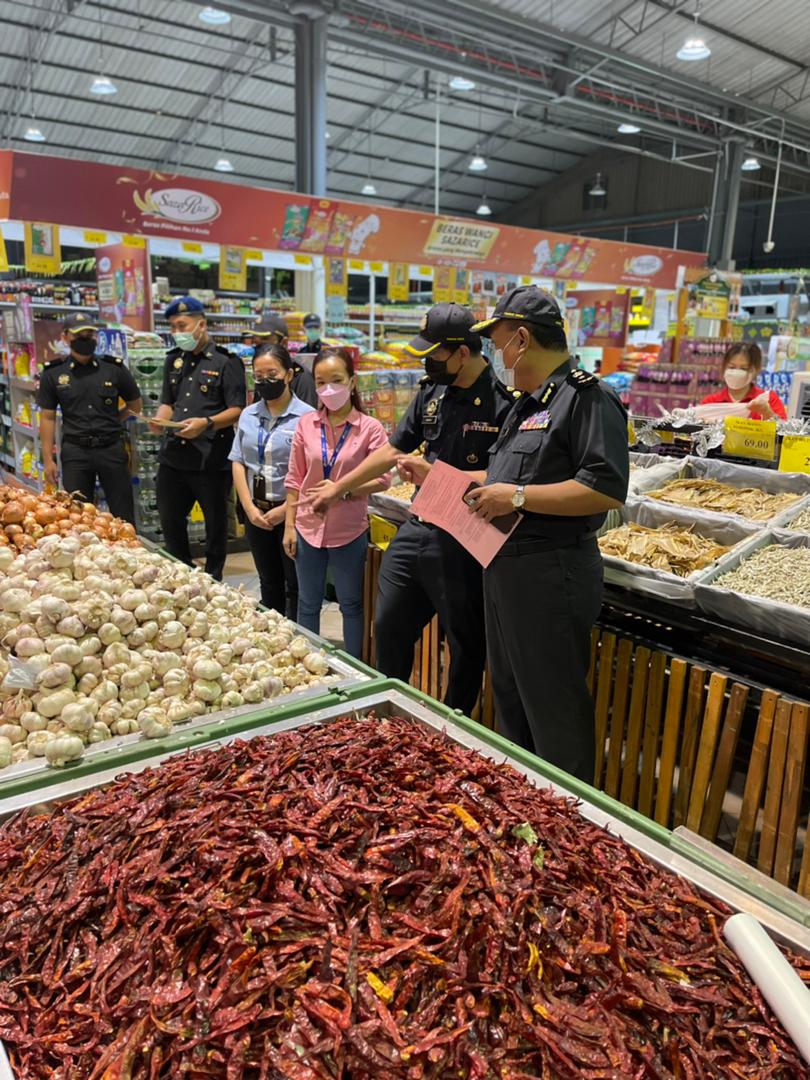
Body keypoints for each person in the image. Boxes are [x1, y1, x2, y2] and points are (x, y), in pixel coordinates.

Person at [309, 302, 518, 715]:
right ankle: (389, 712)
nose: (427, 363)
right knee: (387, 624)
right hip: (419, 525)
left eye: (434, 355)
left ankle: (453, 722)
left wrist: (436, 475)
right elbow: (393, 450)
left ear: (463, 352)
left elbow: (505, 478)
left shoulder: (505, 403)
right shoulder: (432, 391)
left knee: (465, 641)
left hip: (467, 535)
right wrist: (339, 487)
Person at [465, 285, 629, 782]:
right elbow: (511, 476)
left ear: (521, 339)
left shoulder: (586, 397)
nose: (497, 356)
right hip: (505, 566)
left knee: (553, 707)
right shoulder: (527, 404)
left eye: (498, 344)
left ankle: (568, 812)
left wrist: (515, 497)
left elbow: (604, 488)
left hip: (550, 571)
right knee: (512, 695)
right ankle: (525, 801)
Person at [284, 347, 390, 657]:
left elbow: (383, 479)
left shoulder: (370, 429)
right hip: (307, 527)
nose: (328, 389)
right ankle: (307, 663)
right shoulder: (306, 424)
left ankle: (354, 664)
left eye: (336, 380)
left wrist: (343, 490)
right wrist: (289, 526)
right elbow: (294, 479)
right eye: (321, 382)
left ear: (352, 382)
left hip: (349, 530)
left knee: (351, 604)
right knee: (307, 602)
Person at [152, 296, 246, 581]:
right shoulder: (173, 360)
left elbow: (237, 409)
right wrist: (158, 419)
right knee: (170, 520)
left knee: (215, 524)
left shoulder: (226, 362)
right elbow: (169, 401)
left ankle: (213, 577)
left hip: (210, 457)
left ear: (201, 325)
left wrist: (206, 423)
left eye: (182, 325)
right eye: (172, 327)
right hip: (174, 455)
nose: (177, 332)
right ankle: (181, 572)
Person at [230, 344, 314, 617]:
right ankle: (271, 631)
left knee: (295, 583)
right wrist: (249, 507)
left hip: (292, 512)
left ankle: (297, 634)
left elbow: (312, 473)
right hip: (256, 511)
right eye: (259, 376)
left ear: (289, 375)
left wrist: (286, 510)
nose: (265, 381)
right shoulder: (248, 414)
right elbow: (238, 461)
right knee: (268, 580)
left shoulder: (308, 418)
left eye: (272, 374)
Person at [38, 313, 142, 523]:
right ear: (65, 337)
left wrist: (114, 420)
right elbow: (47, 418)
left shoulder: (114, 368)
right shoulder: (53, 373)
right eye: (79, 335)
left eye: (90, 334)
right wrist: (48, 460)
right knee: (76, 516)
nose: (85, 338)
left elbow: (135, 405)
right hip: (75, 452)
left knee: (123, 513)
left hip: (111, 449)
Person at [243, 314, 317, 406]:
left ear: (284, 342)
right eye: (256, 342)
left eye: (265, 340)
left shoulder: (301, 377)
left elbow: (308, 413)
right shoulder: (260, 376)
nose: (261, 349)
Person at [701, 342, 787, 420]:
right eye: (731, 367)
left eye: (744, 368)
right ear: (724, 368)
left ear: (755, 370)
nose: (736, 372)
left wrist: (767, 412)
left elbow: (783, 429)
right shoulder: (711, 403)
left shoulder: (769, 399)